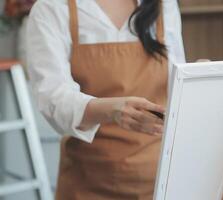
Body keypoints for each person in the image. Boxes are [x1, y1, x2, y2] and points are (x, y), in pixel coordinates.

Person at [26, 0, 185, 199]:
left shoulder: (163, 4)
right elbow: (54, 99)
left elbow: (175, 84)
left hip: (161, 182)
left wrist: (199, 79)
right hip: (89, 183)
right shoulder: (52, 8)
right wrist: (112, 109)